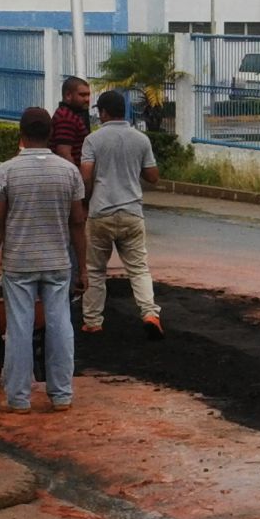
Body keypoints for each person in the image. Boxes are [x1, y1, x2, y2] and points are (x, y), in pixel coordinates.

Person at [0, 108, 87, 414]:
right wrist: (83, 268)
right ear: (51, 134)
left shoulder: (7, 171)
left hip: (19, 264)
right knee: (60, 326)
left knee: (19, 329)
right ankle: (61, 395)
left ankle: (18, 398)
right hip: (57, 263)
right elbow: (78, 223)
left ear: (21, 134)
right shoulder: (69, 172)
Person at [81, 90, 163, 339]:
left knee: (95, 270)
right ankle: (150, 313)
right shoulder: (141, 139)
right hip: (131, 212)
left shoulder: (92, 141)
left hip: (101, 213)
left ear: (103, 112)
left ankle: (93, 321)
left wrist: (86, 202)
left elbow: (86, 177)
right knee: (138, 269)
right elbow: (153, 177)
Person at [51, 76, 92, 167]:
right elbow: (64, 153)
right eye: (82, 95)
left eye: (88, 95)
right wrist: (77, 178)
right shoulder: (66, 117)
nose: (87, 99)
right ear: (68, 95)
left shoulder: (71, 114)